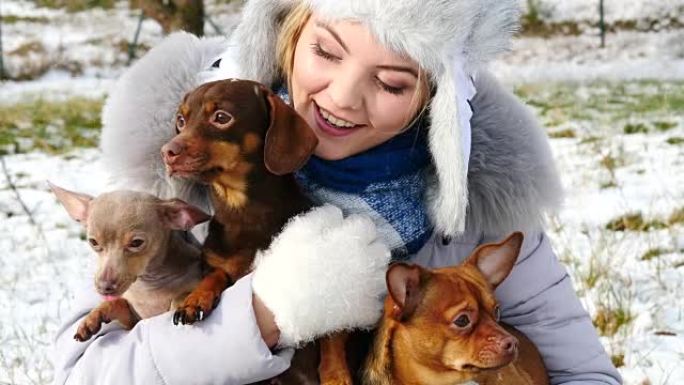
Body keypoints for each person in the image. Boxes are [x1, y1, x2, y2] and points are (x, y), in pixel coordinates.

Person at [52, 0, 623, 384]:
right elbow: (83, 371)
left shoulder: (479, 207)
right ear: (288, 37)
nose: (343, 99)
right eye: (326, 52)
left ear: (438, 101)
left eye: (393, 81)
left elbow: (585, 374)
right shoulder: (182, 181)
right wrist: (260, 315)